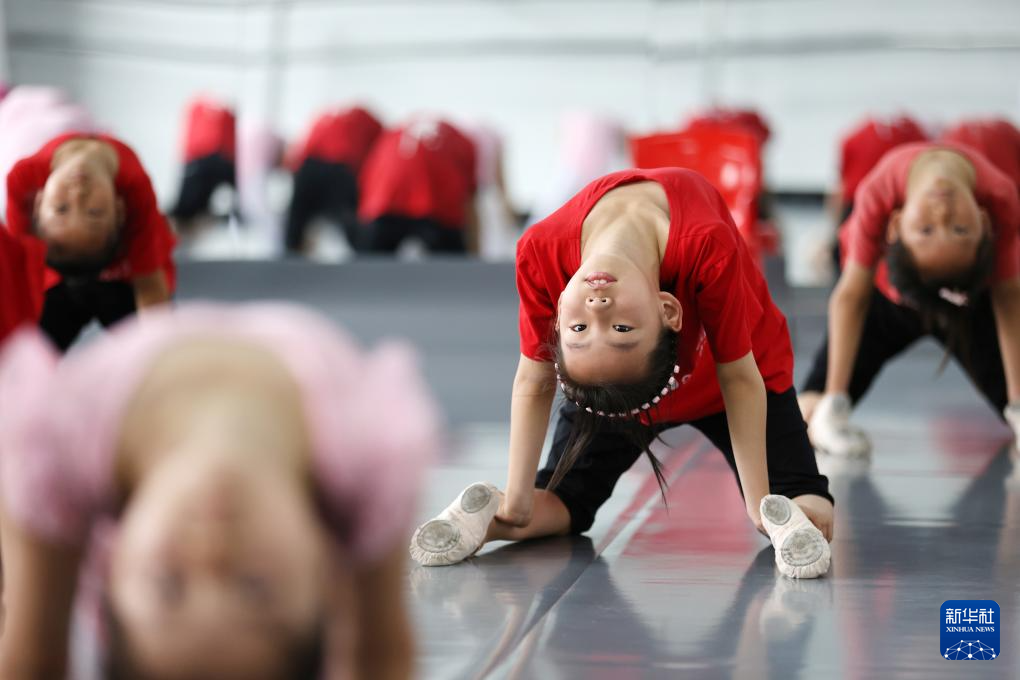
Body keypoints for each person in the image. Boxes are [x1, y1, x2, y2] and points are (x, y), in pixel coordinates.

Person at [410, 168, 834, 579]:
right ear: (556, 313)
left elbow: (739, 377)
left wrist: (760, 504)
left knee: (807, 496)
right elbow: (534, 379)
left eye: (587, 329)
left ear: (670, 310)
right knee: (566, 502)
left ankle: (792, 526)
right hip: (615, 392)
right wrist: (516, 502)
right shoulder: (547, 266)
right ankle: (479, 524)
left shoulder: (701, 243)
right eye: (613, 329)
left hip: (734, 383)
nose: (596, 310)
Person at [0, 303, 439, 679]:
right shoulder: (370, 455)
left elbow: (34, 661)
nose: (213, 549)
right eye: (255, 586)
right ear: (325, 580)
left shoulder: (54, 453)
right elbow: (381, 657)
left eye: (168, 584)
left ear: (109, 575)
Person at [798, 139, 1020, 457]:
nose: (943, 214)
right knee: (810, 409)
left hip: (963, 306)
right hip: (888, 304)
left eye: (960, 230)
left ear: (986, 224)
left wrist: (1017, 402)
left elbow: (1009, 296)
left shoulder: (1001, 198)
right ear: (895, 225)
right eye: (926, 231)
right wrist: (834, 399)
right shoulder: (878, 191)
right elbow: (851, 295)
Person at [5, 131, 176, 350]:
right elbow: (17, 279)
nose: (77, 195)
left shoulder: (135, 188)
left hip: (122, 279)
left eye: (62, 209)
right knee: (24, 344)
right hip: (56, 286)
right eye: (94, 211)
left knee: (156, 335)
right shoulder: (21, 179)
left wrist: (158, 352)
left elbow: (149, 287)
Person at [358, 117, 478, 254]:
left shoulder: (391, 134)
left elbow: (368, 177)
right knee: (453, 261)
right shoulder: (462, 141)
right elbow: (469, 200)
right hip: (435, 208)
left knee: (370, 260)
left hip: (386, 203)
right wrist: (474, 253)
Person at [284, 106, 382, 254]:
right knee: (352, 225)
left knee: (294, 229)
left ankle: (290, 256)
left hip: (308, 167)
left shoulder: (325, 115)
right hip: (340, 169)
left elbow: (302, 148)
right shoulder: (367, 119)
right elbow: (376, 158)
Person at [168, 97, 237, 229]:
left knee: (184, 211)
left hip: (199, 161)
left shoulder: (197, 109)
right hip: (220, 161)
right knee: (189, 210)